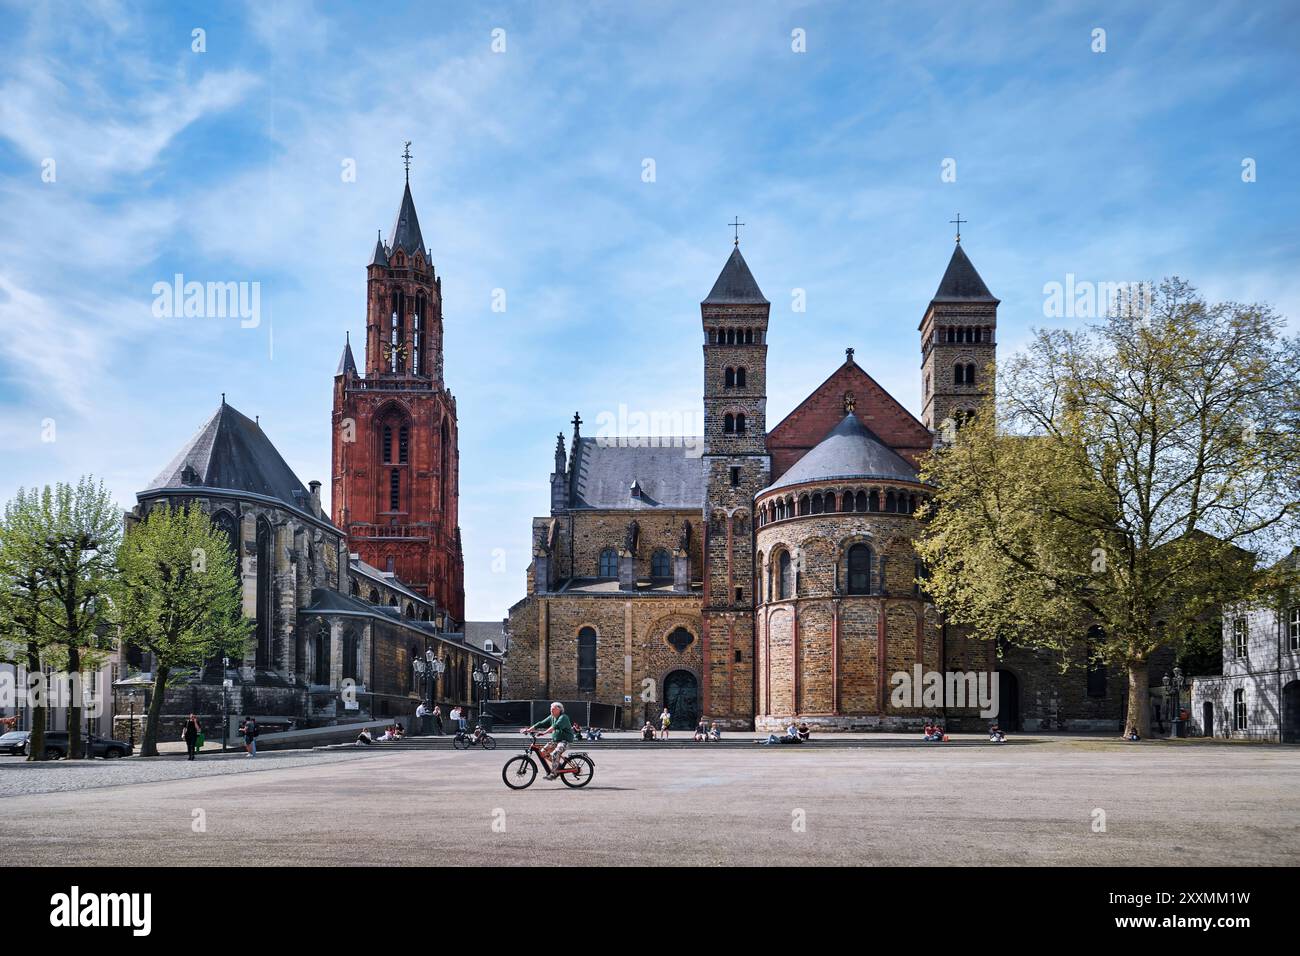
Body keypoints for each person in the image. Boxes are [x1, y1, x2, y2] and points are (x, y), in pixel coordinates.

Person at [522, 702, 576, 780]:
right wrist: (528, 730)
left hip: (565, 741)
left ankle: (554, 774)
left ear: (559, 710)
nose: (551, 711)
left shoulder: (563, 717)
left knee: (555, 753)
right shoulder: (552, 717)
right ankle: (557, 765)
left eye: (553, 709)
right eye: (551, 709)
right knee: (543, 752)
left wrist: (544, 733)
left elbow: (555, 726)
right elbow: (541, 723)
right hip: (555, 741)